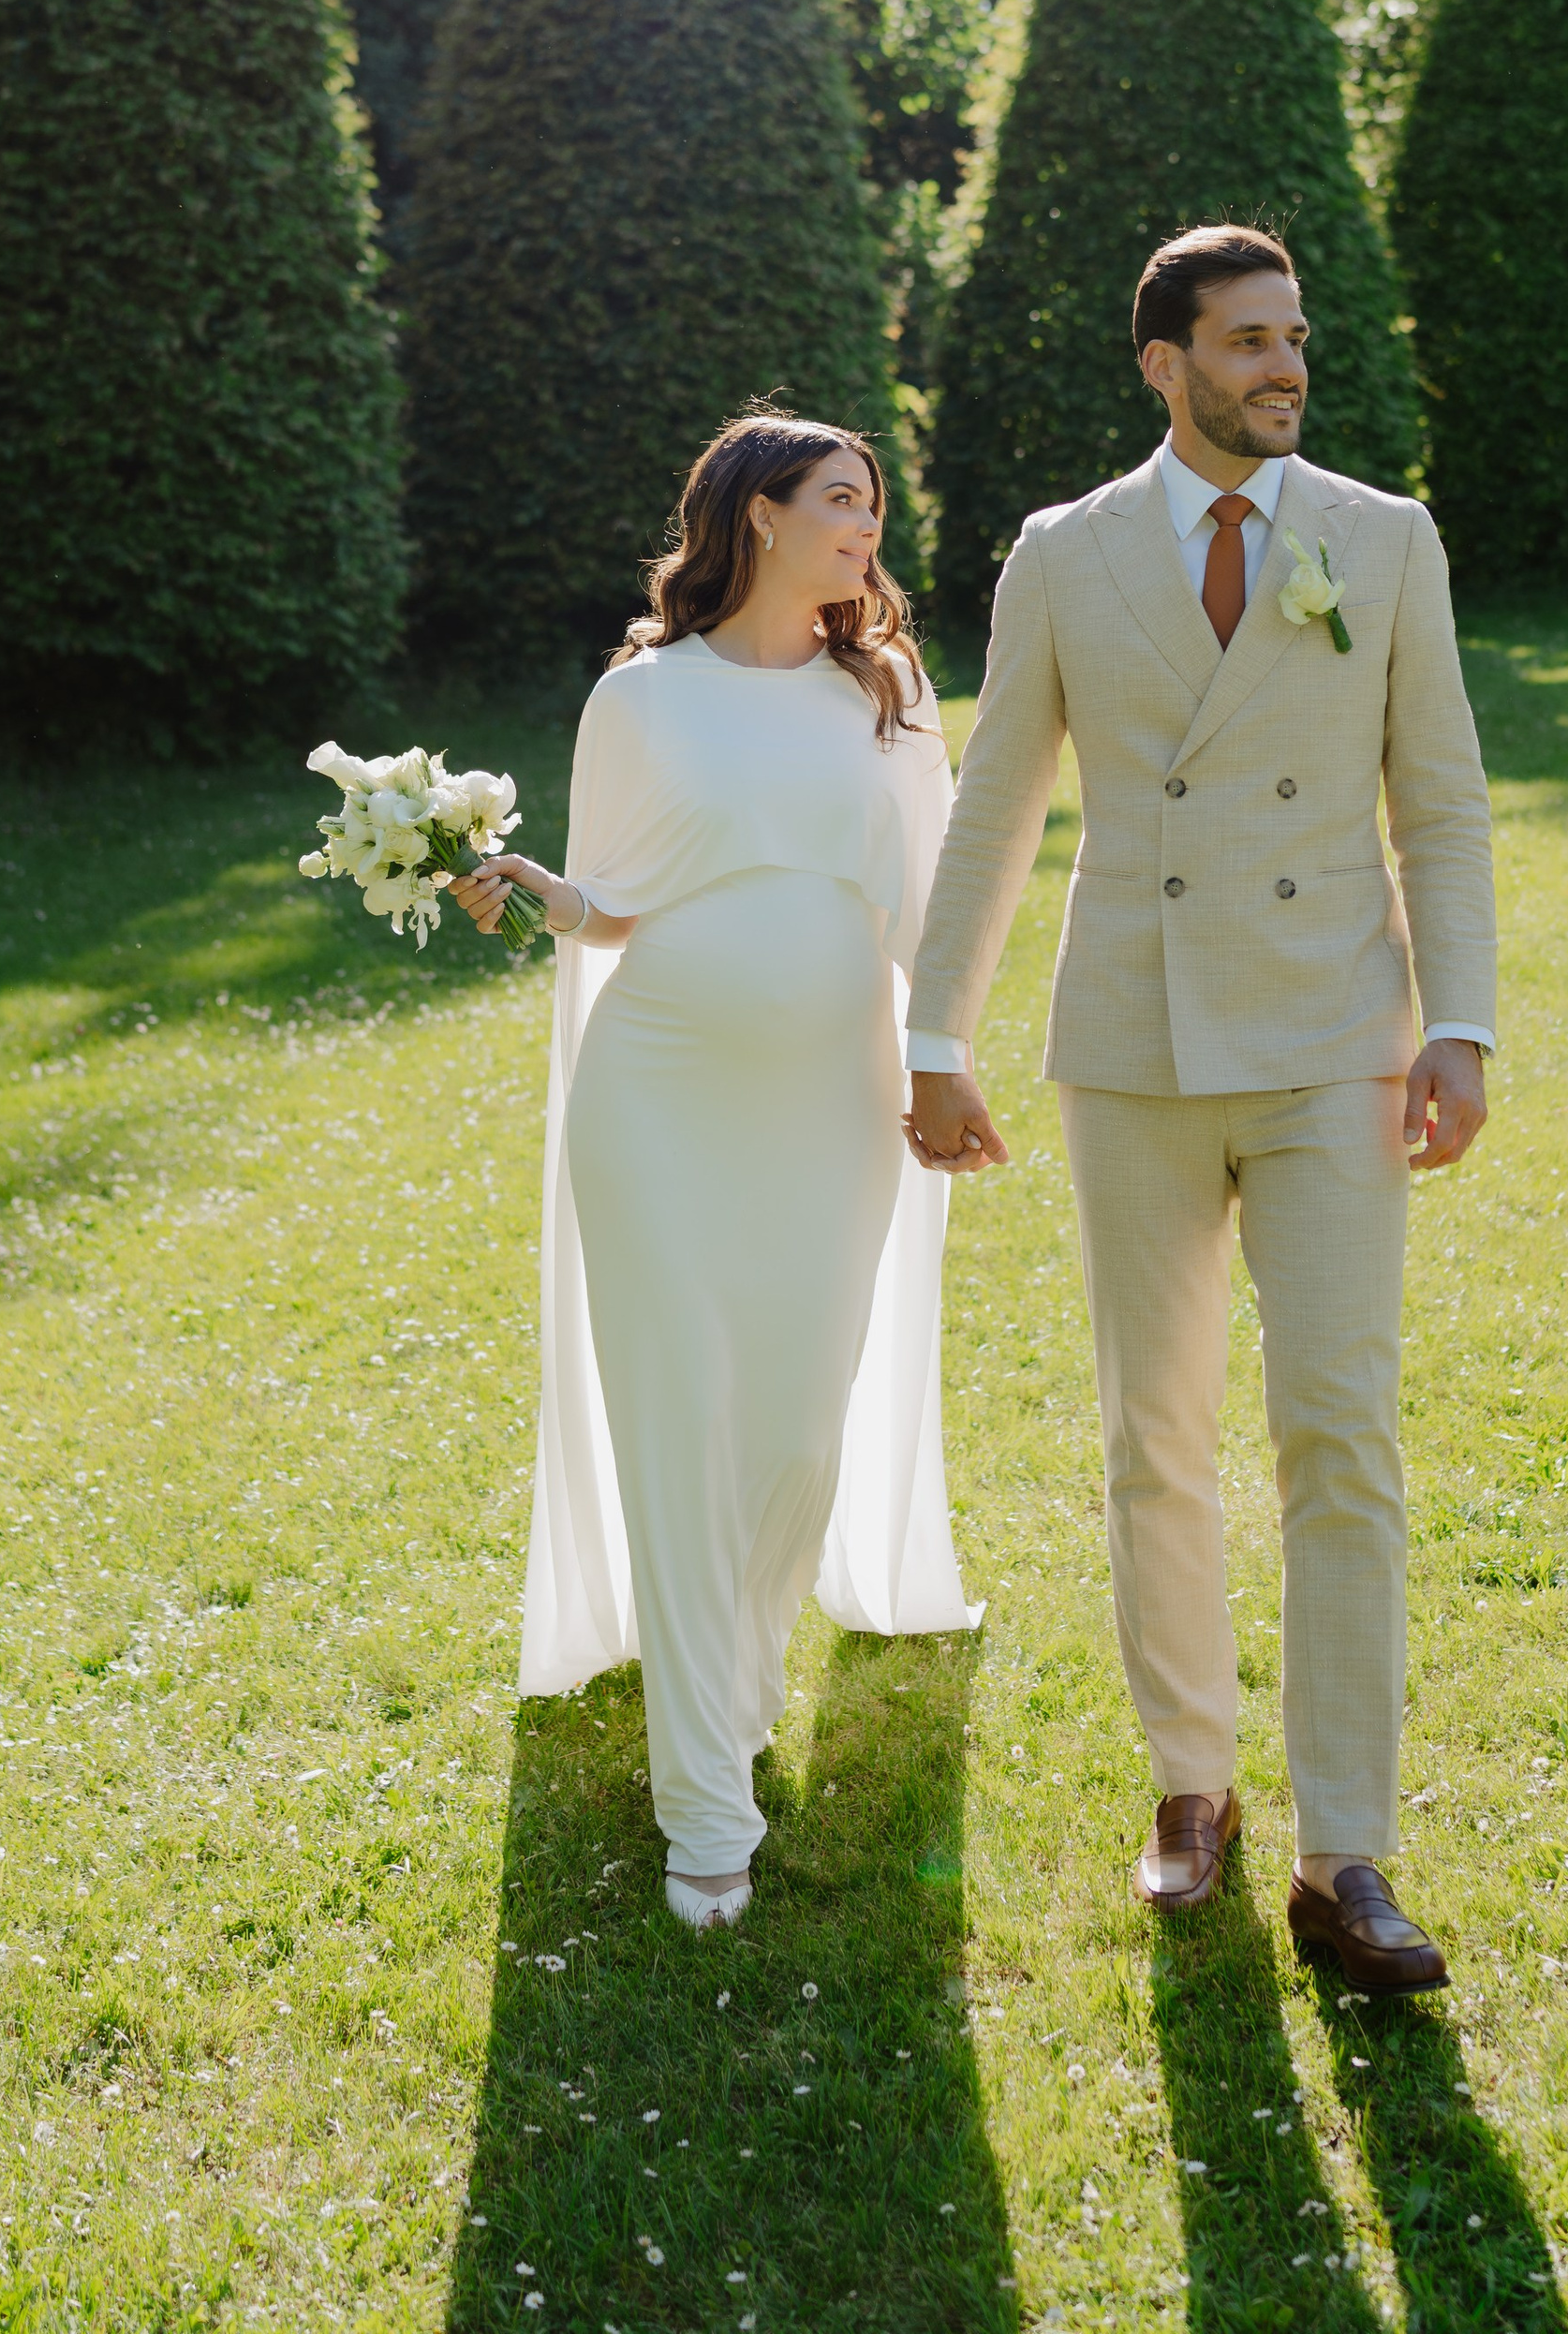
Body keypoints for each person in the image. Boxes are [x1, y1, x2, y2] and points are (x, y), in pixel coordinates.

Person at [904, 226, 1497, 1993]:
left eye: (1295, 340)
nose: (1284, 368)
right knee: (1151, 1434)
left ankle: (1346, 1850)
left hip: (1337, 1043)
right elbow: (997, 801)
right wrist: (938, 1032)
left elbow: (1443, 802)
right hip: (1138, 1050)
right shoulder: (1063, 557)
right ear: (1163, 360)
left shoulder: (1381, 540)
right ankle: (1191, 1786)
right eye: (1247, 343)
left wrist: (1456, 1023)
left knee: (1342, 1433)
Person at [455, 414, 979, 1929]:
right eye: (840, 502)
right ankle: (702, 1801)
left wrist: (948, 1062)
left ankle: (736, 1686)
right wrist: (542, 890)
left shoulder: (883, 695)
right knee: (681, 1428)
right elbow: (613, 898)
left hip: (832, 1101)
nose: (865, 529)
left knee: (795, 1437)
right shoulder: (641, 698)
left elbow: (931, 910)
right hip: (659, 1102)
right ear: (756, 517)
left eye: (872, 506)